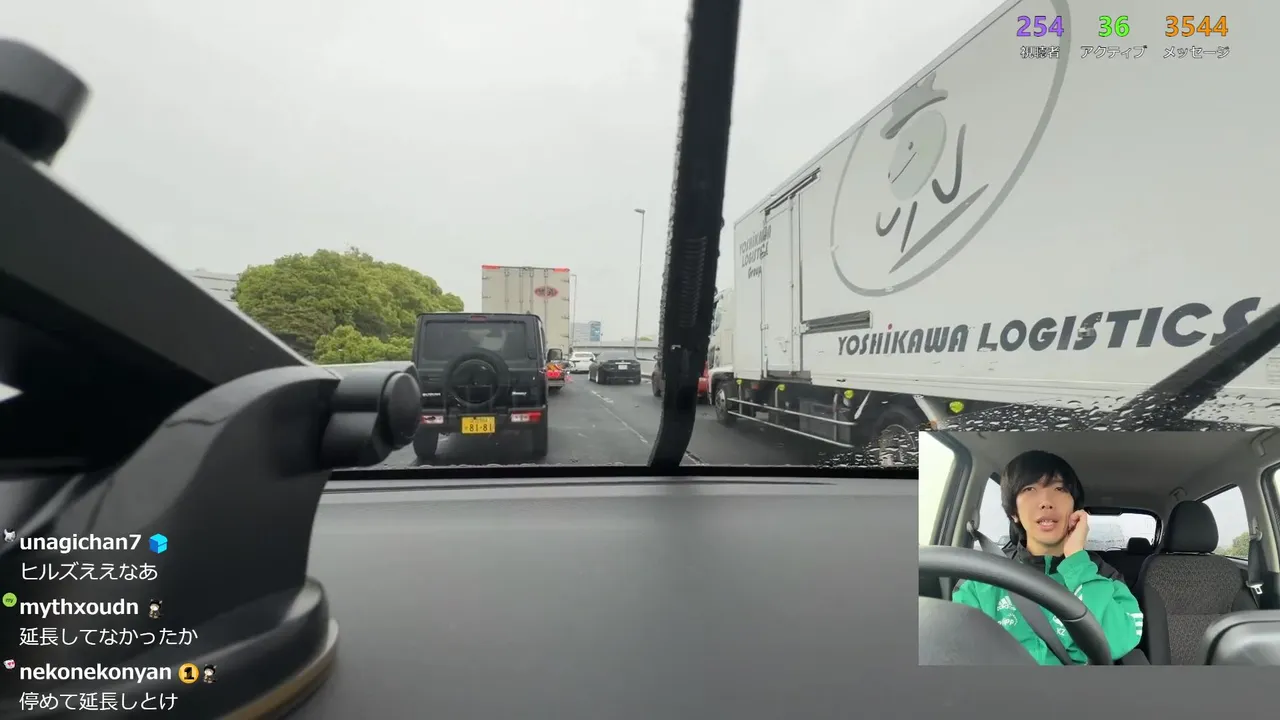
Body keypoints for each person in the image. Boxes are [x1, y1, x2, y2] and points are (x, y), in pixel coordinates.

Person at [952, 450, 1144, 665]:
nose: (1045, 501)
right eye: (1029, 489)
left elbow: (1116, 642)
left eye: (1059, 488)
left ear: (1075, 509)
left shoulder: (1105, 577)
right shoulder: (981, 579)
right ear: (1014, 513)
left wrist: (1077, 561)